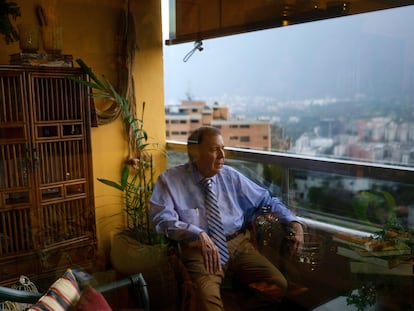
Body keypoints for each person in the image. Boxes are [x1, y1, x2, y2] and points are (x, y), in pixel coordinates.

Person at [150, 126, 304, 311]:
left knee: (278, 285)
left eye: (223, 148)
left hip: (239, 244)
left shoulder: (230, 175)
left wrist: (293, 222)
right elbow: (161, 219)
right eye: (215, 149)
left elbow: (265, 200)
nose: (222, 156)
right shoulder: (170, 180)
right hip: (201, 250)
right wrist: (196, 233)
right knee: (208, 303)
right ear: (195, 152)